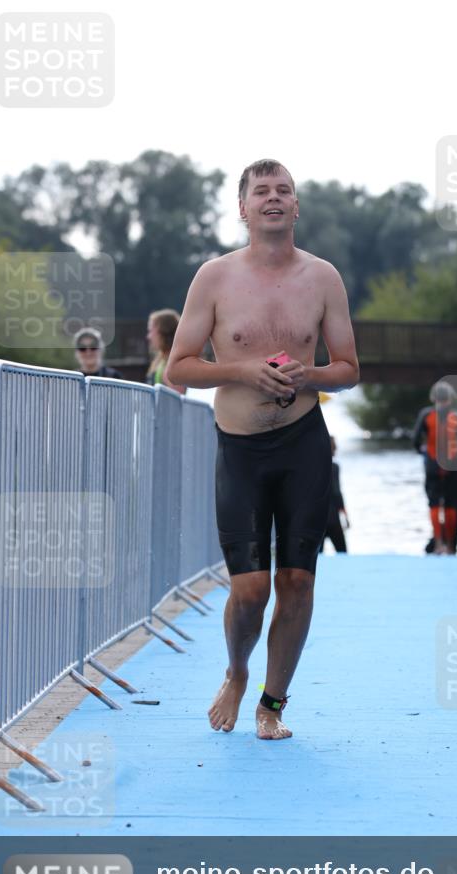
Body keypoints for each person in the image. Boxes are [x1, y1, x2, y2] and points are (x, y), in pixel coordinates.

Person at [165, 158, 360, 740]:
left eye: (284, 191)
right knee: (249, 590)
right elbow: (180, 366)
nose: (274, 199)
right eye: (262, 192)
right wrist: (245, 371)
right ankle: (236, 671)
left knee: (297, 581)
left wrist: (309, 377)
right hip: (242, 450)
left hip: (303, 443)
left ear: (297, 206)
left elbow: (349, 370)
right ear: (244, 208)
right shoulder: (215, 278)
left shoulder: (323, 278)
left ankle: (272, 704)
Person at [412, 380, 457, 555]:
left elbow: (415, 440)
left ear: (434, 397)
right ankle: (451, 547)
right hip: (453, 465)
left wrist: (423, 452)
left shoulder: (426, 415)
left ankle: (438, 544)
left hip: (432, 464)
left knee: (433, 504)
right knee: (450, 504)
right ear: (450, 398)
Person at [320, 436, 349, 553]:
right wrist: (345, 514)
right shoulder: (334, 467)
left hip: (317, 518)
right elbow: (336, 492)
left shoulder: (312, 468)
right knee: (342, 551)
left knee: (317, 556)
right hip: (332, 517)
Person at [146, 309, 186, 393]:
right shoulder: (162, 361)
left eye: (151, 331)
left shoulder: (173, 364)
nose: (149, 336)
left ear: (163, 333)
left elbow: (178, 395)